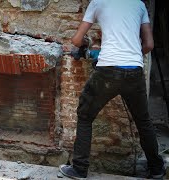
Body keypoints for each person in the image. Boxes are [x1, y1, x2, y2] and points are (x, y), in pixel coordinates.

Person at [59, 0, 165, 179]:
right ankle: (156, 169)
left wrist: (87, 41)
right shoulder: (138, 4)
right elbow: (149, 45)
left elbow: (76, 40)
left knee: (85, 115)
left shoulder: (98, 2)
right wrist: (129, 55)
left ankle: (79, 169)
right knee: (143, 121)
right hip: (134, 70)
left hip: (108, 70)